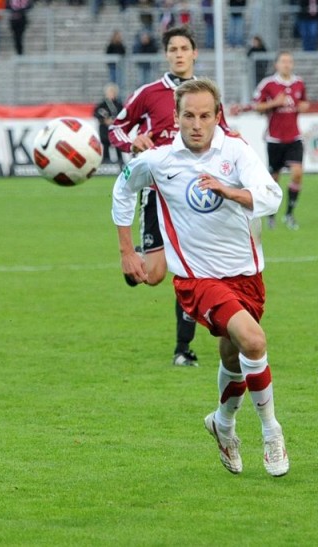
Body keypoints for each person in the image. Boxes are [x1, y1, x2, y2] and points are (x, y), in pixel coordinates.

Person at [111, 78, 289, 477]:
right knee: (254, 340)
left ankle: (223, 424)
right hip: (197, 280)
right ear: (175, 118)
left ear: (217, 116)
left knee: (234, 356)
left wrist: (230, 191)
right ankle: (271, 432)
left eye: (205, 115)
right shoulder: (159, 161)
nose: (196, 123)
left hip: (246, 275)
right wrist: (127, 250)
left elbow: (270, 194)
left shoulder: (236, 151)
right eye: (188, 115)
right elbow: (122, 188)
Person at [109, 26, 205, 367]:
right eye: (173, 48)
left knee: (190, 270)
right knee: (154, 276)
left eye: (184, 48)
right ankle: (138, 256)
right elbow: (116, 127)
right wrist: (132, 142)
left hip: (194, 197)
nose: (179, 53)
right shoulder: (149, 93)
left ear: (195, 53)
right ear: (166, 54)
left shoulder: (205, 94)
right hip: (156, 192)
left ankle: (183, 349)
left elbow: (219, 133)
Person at [239, 50, 309, 230]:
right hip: (275, 139)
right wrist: (273, 103)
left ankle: (289, 215)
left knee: (297, 173)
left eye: (289, 61)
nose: (287, 64)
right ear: (276, 65)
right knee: (274, 179)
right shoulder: (268, 84)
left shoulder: (299, 83)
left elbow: (304, 102)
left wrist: (303, 106)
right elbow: (256, 106)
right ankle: (271, 215)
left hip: (294, 137)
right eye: (283, 61)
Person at [94, 82, 124, 165]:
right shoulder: (102, 105)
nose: (111, 94)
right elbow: (96, 114)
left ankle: (120, 163)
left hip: (116, 130)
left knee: (118, 147)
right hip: (105, 130)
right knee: (105, 147)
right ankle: (105, 164)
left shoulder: (119, 105)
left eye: (113, 92)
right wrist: (105, 120)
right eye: (109, 92)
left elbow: (123, 114)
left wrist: (115, 121)